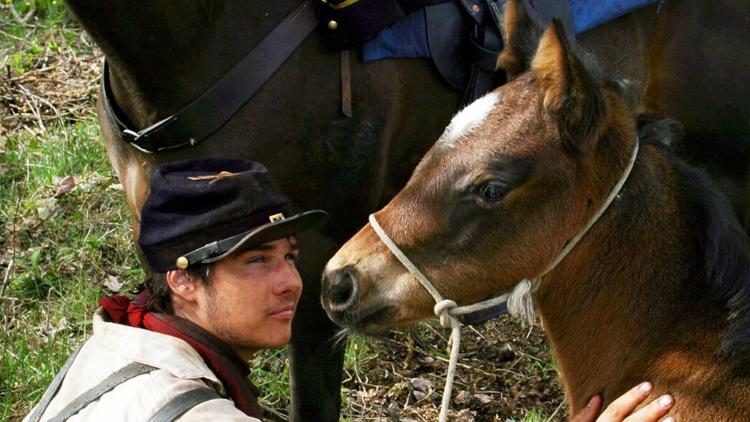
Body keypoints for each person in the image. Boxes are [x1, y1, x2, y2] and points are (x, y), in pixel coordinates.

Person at [24, 158, 674, 421]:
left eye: (288, 256)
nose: (289, 283)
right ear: (182, 279)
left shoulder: (108, 353)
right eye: (255, 263)